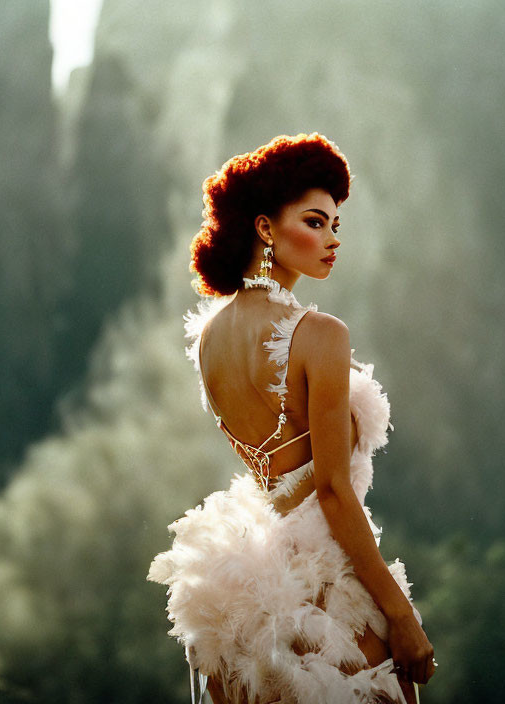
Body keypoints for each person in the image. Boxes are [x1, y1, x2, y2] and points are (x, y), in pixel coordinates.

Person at [148, 133, 435, 704]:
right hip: (328, 589)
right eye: (315, 221)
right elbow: (331, 490)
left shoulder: (208, 337)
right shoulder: (320, 335)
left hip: (254, 597)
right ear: (264, 228)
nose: (332, 240)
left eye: (336, 226)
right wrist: (402, 617)